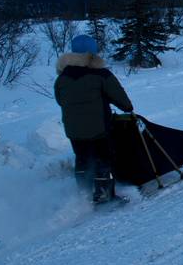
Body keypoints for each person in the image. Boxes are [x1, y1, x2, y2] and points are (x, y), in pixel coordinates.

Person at [54, 34, 133, 204]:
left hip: (73, 129)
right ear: (92, 54)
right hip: (99, 128)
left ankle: (83, 193)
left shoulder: (62, 78)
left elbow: (60, 100)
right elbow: (123, 101)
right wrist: (126, 108)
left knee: (82, 157)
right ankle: (104, 195)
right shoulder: (101, 75)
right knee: (103, 158)